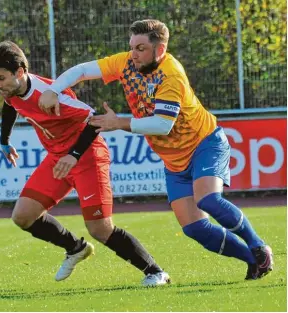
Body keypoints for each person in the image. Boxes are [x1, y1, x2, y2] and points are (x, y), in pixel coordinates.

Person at [38, 19, 273, 280]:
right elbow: (81, 71)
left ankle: (258, 246)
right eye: (131, 47)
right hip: (174, 161)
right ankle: (254, 261)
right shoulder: (125, 62)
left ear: (159, 50)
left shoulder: (171, 75)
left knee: (208, 200)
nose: (133, 54)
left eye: (140, 48)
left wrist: (119, 123)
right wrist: (53, 89)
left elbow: (161, 125)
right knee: (196, 229)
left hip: (205, 143)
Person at [0, 40, 170, 286]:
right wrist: (4, 140)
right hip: (57, 159)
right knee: (23, 216)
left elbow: (94, 120)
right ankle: (75, 248)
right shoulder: (12, 92)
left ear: (20, 72)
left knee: (101, 229)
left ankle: (156, 272)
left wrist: (73, 155)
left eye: (0, 78)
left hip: (87, 156)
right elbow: (10, 108)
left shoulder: (49, 94)